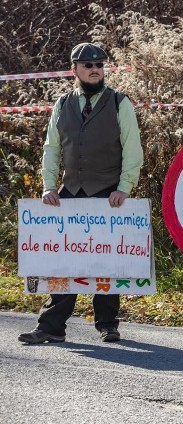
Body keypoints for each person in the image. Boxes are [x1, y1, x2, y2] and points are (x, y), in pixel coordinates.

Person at [18, 43, 143, 344]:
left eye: (99, 64)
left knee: (106, 261)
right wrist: (49, 186)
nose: (95, 69)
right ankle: (51, 326)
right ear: (74, 70)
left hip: (107, 193)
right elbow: (52, 148)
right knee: (62, 261)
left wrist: (124, 188)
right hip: (71, 191)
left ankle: (108, 324)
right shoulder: (62, 104)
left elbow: (132, 148)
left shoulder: (119, 103)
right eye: (88, 65)